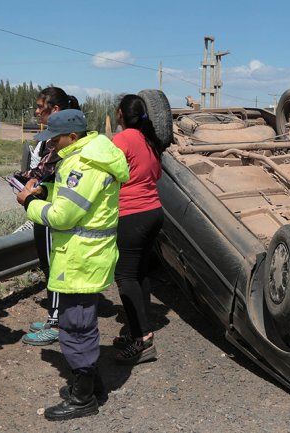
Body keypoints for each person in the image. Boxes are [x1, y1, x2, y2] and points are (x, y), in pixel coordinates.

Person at [16, 109, 129, 421]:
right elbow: (80, 198)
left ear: (73, 136)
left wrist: (30, 203)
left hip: (82, 257)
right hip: (87, 255)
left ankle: (83, 399)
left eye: (55, 138)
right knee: (79, 323)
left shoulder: (83, 163)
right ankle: (92, 386)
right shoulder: (90, 156)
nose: (50, 144)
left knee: (76, 327)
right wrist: (48, 190)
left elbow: (64, 216)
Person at [19, 87, 79, 346]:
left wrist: (38, 185)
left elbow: (54, 174)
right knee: (49, 264)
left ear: (55, 110)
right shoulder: (51, 140)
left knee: (55, 266)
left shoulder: (65, 142)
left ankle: (56, 322)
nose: (36, 112)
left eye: (40, 107)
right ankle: (55, 317)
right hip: (44, 206)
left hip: (52, 210)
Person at [111, 95, 166, 365]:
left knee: (124, 276)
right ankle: (139, 332)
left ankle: (142, 340)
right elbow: (156, 175)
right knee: (139, 272)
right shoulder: (149, 141)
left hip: (132, 214)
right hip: (153, 211)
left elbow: (108, 173)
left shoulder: (122, 140)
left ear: (120, 114)